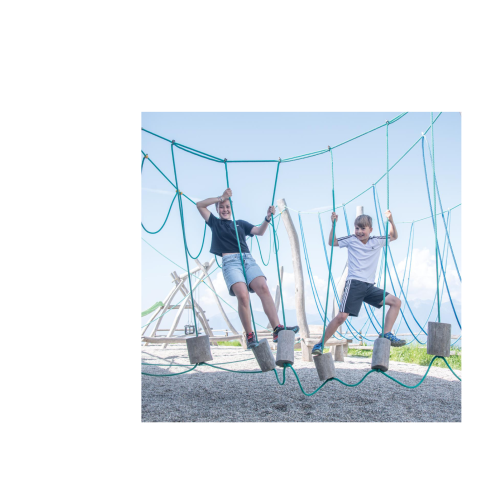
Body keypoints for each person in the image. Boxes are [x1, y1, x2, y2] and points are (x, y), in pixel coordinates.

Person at [196, 188, 299, 349]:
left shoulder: (240, 224)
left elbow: (260, 231)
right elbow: (200, 205)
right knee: (243, 296)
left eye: (227, 207)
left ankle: (277, 328)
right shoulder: (214, 223)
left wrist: (267, 218)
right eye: (221, 207)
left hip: (247, 260)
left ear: (231, 208)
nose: (224, 210)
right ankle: (250, 335)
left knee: (263, 287)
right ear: (217, 209)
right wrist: (220, 197)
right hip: (230, 262)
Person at [312, 211, 406, 355]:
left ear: (370, 230)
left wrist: (391, 220)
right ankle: (320, 344)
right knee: (341, 317)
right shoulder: (351, 240)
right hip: (354, 284)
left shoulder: (377, 241)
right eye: (357, 228)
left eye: (363, 228)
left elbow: (393, 236)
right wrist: (333, 225)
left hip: (369, 286)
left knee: (396, 302)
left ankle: (386, 333)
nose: (360, 232)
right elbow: (332, 242)